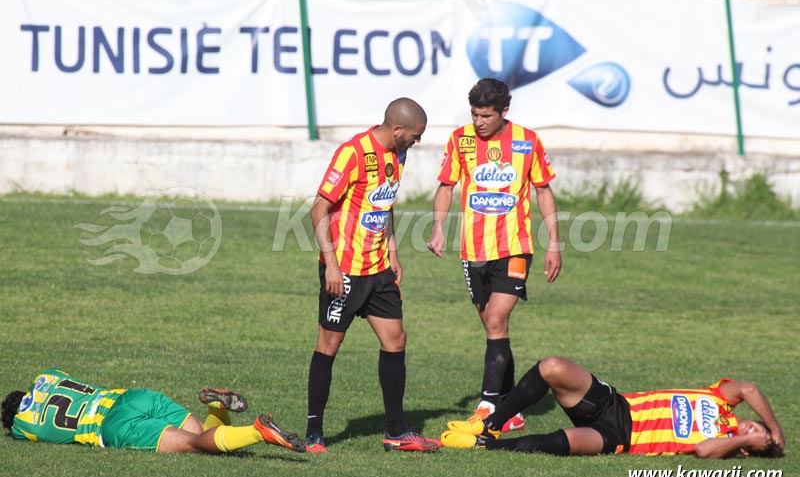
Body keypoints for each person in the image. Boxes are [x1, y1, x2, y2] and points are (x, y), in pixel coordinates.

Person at [306, 97, 441, 453]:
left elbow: (385, 204)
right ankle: (314, 433)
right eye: (415, 135)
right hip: (345, 271)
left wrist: (393, 252)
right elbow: (318, 208)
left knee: (396, 340)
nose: (417, 141)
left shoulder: (399, 154)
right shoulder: (352, 153)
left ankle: (396, 432)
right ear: (397, 130)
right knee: (329, 346)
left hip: (379, 268)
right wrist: (331, 264)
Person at [427, 78, 562, 432]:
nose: (479, 121)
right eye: (474, 114)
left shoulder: (527, 141)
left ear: (504, 112)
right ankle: (512, 410)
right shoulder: (460, 140)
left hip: (515, 248)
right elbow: (446, 186)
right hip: (473, 251)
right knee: (493, 328)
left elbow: (544, 192)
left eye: (486, 115)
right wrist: (438, 227)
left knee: (497, 321)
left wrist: (555, 243)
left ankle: (488, 405)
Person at [441, 356, 785, 458]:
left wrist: (742, 443)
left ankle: (485, 444)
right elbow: (749, 388)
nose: (754, 430)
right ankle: (488, 424)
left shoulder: (727, 445)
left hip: (620, 436)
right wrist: (776, 430)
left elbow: (702, 450)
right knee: (552, 366)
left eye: (757, 437)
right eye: (756, 426)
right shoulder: (721, 398)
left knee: (563, 442)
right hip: (616, 404)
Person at [1, 367, 306, 453]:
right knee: (203, 433)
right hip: (133, 397)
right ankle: (216, 405)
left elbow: (18, 426)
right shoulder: (47, 379)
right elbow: (49, 375)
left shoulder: (23, 426)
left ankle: (258, 432)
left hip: (111, 427)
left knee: (195, 445)